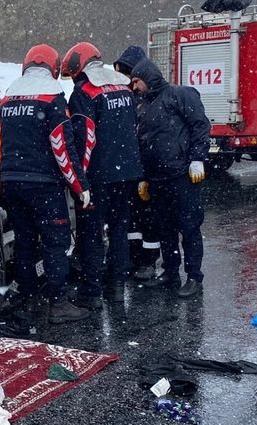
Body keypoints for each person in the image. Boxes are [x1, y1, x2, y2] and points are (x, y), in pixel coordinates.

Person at [0, 44, 91, 323]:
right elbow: (62, 147)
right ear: (54, 67)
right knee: (56, 242)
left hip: (11, 182)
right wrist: (80, 186)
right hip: (43, 185)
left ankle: (29, 301)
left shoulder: (8, 97)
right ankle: (59, 303)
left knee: (25, 243)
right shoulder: (52, 97)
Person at [61, 42, 143, 307]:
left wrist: (80, 181)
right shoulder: (123, 87)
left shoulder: (84, 92)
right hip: (127, 173)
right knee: (119, 230)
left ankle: (91, 293)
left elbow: (85, 139)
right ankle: (116, 287)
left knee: (91, 234)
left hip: (98, 176)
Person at [131, 58, 211, 298]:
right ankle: (170, 272)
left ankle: (194, 276)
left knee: (189, 228)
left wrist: (197, 158)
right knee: (165, 229)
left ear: (148, 76)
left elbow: (200, 126)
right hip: (157, 179)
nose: (134, 86)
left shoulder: (180, 95)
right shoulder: (142, 106)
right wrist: (144, 176)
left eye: (137, 81)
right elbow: (142, 144)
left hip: (182, 176)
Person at [114, 46, 160, 281]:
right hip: (131, 168)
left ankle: (149, 261)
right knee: (132, 218)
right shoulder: (129, 98)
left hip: (148, 168)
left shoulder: (152, 99)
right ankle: (133, 258)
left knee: (148, 218)